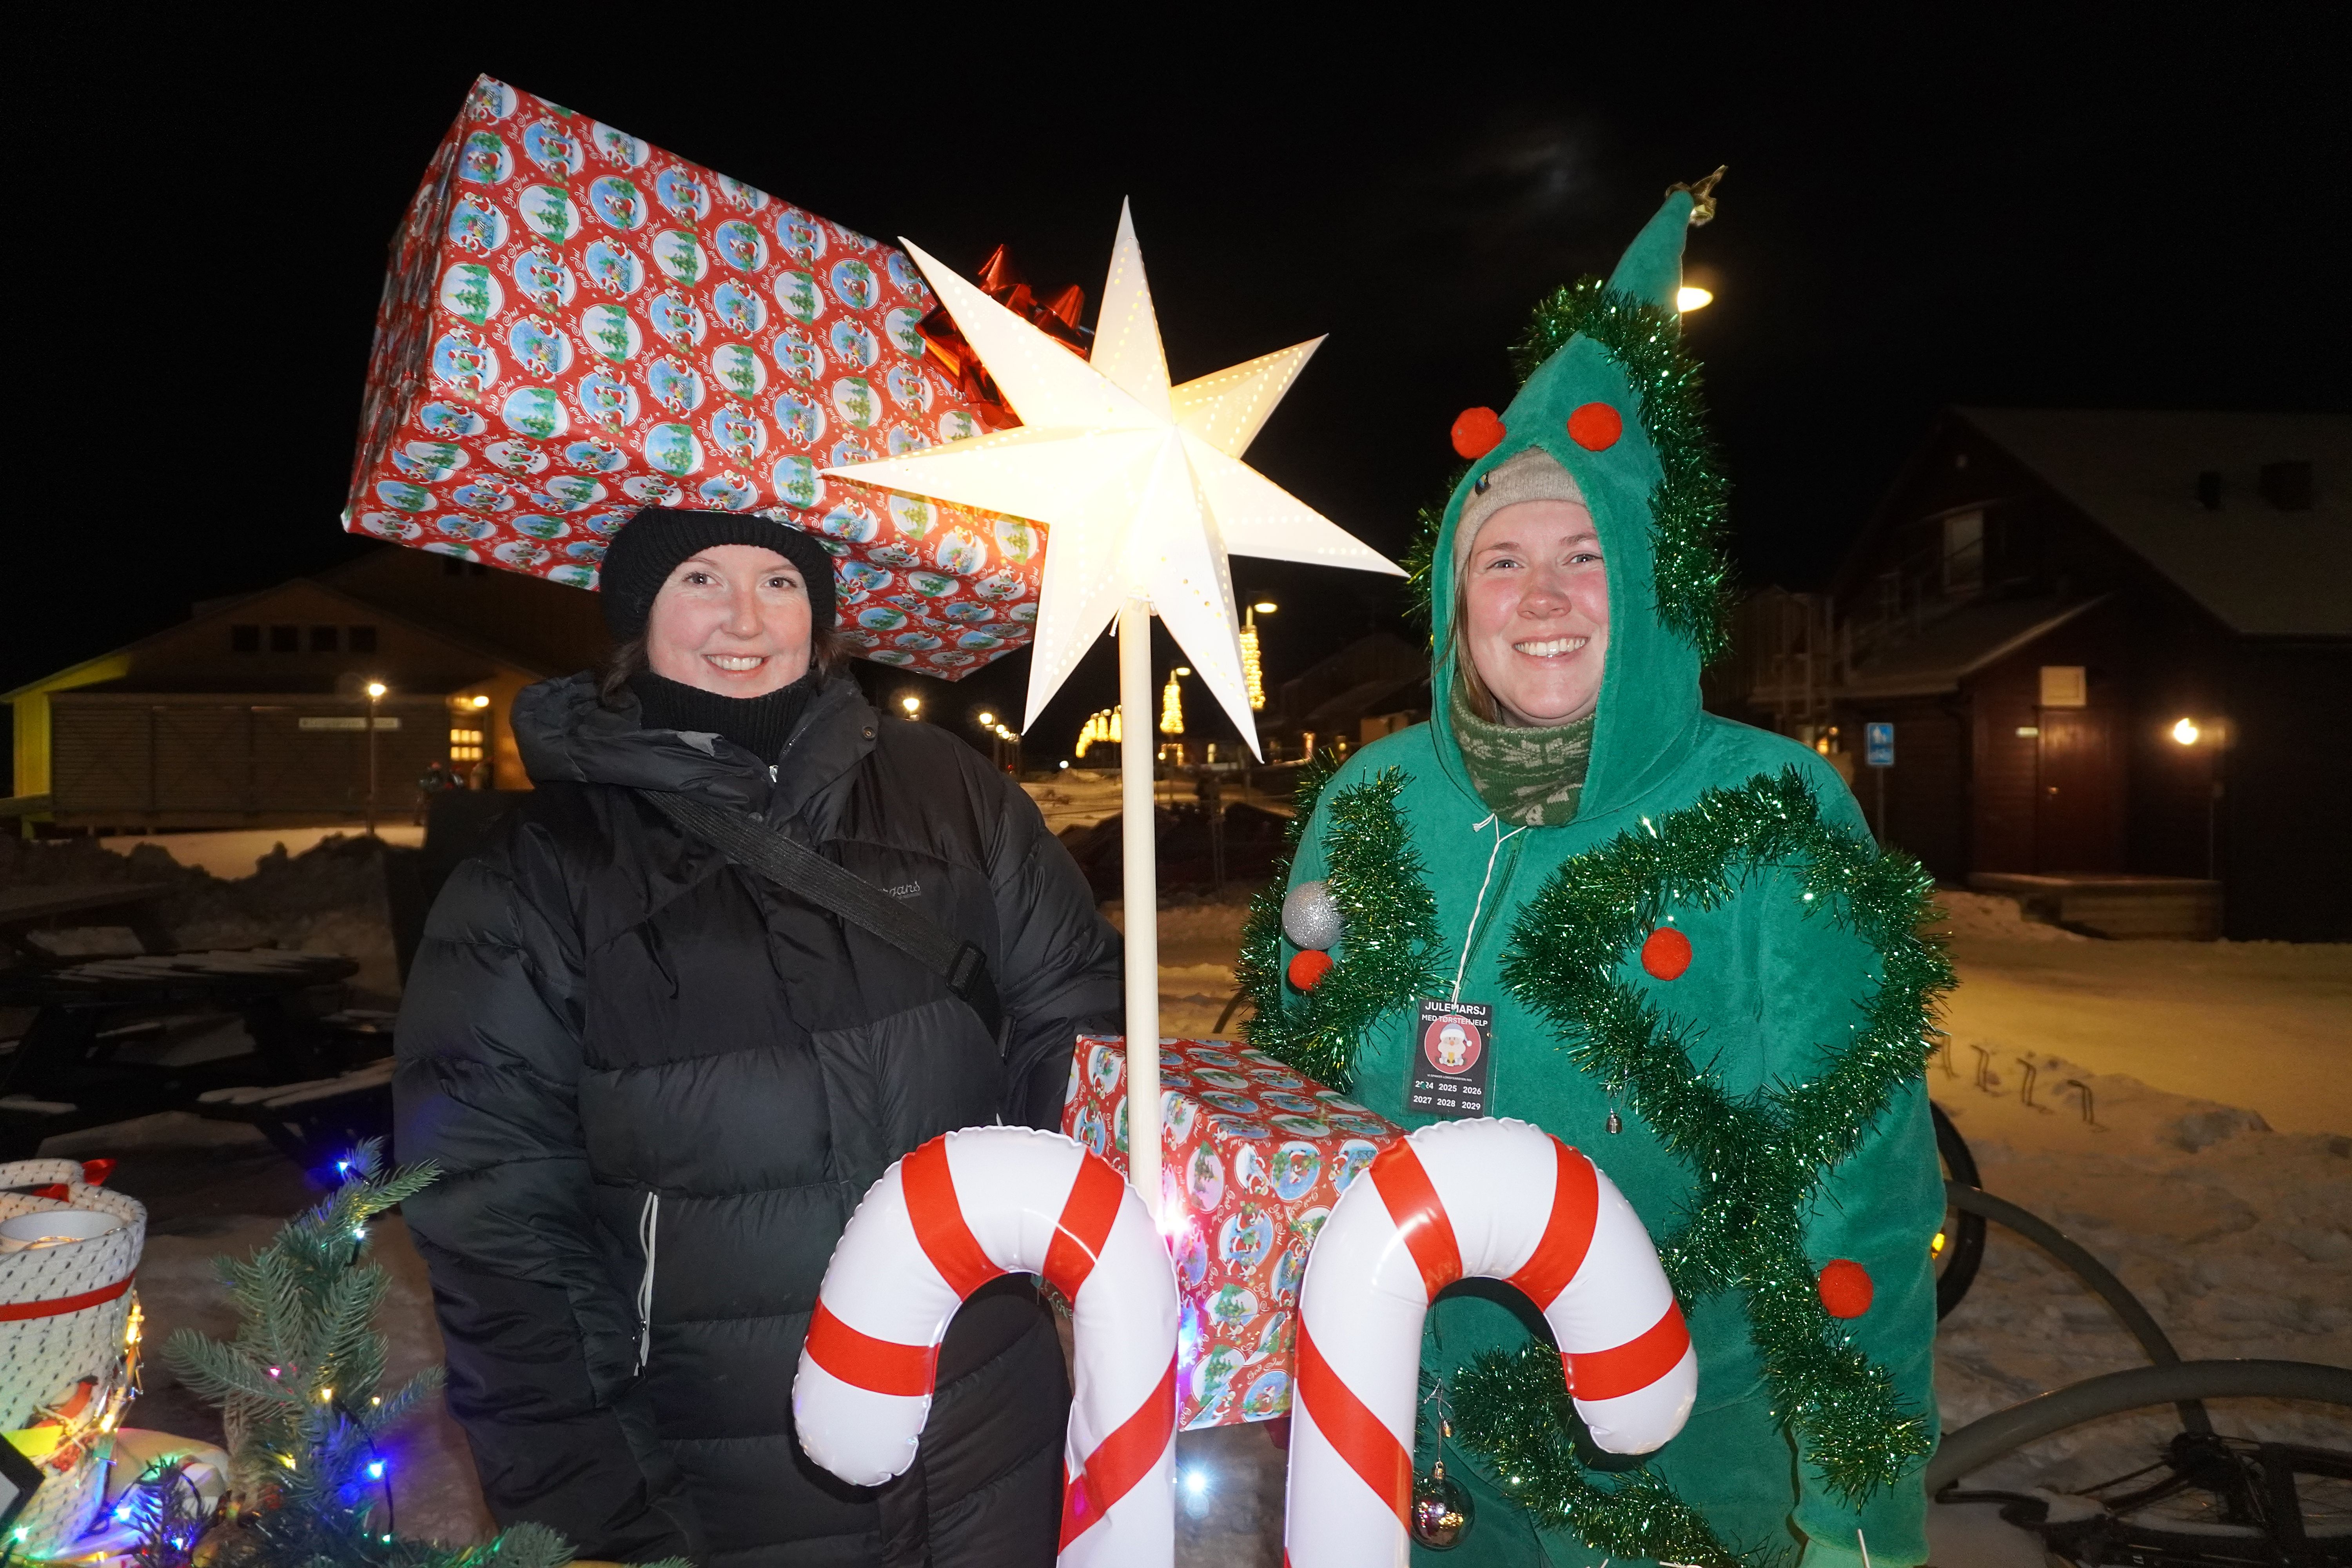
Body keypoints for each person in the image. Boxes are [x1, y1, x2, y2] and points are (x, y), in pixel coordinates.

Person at [1261, 185, 1943, 1566]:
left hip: (1669, 1481)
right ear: (1453, 595)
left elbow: (1858, 1195)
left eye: (1589, 555)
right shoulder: (1370, 799)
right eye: (1501, 558)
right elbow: (1296, 1105)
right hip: (1387, 1452)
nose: (1546, 595)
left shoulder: (1769, 809)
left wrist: (1859, 1527)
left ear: (1651, 583)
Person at [394, 508, 1122, 1566]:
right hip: (719, 1461)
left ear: (821, 619)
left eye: (780, 582)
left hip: (988, 1412)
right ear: (638, 614)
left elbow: (1072, 1015)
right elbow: (494, 1217)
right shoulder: (539, 871)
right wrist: (597, 1503)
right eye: (699, 578)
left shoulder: (950, 789)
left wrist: (1073, 1226)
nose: (744, 616)